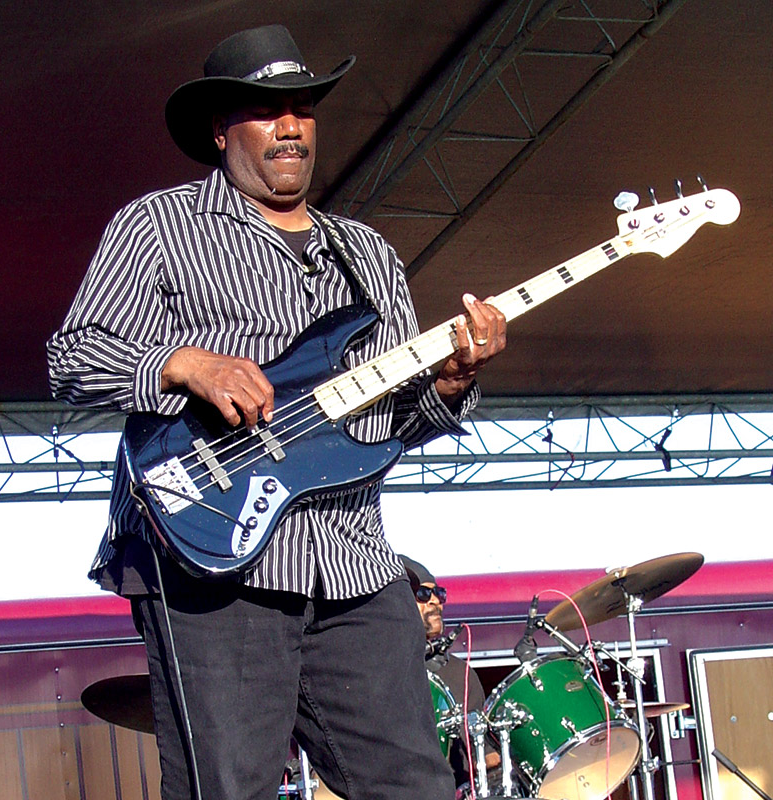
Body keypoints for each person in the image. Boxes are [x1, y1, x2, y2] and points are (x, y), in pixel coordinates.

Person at [47, 24, 507, 800]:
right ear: (222, 129)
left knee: (415, 785)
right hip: (213, 557)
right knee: (229, 788)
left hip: (355, 562)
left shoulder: (365, 253)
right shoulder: (158, 227)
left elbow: (393, 426)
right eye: (268, 110)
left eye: (304, 108)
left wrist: (454, 383)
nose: (292, 126)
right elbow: (73, 359)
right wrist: (181, 363)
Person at [399, 556, 501, 792]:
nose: (436, 602)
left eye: (439, 594)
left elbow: (483, 752)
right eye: (423, 595)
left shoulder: (457, 673)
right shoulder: (380, 668)